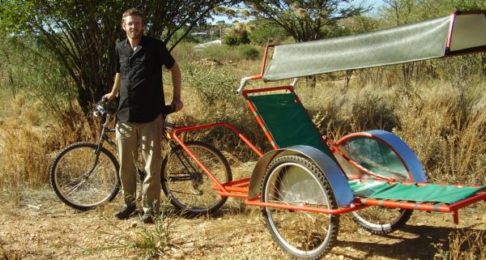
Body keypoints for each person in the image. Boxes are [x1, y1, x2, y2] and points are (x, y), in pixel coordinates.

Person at [103, 8, 182, 224]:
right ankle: (129, 204)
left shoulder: (155, 46)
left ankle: (150, 208)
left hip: (151, 116)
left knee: (151, 165)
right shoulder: (119, 47)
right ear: (123, 26)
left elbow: (175, 69)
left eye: (137, 23)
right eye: (130, 23)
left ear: (142, 25)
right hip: (125, 115)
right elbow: (120, 73)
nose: (133, 27)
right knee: (125, 164)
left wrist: (177, 98)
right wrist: (113, 92)